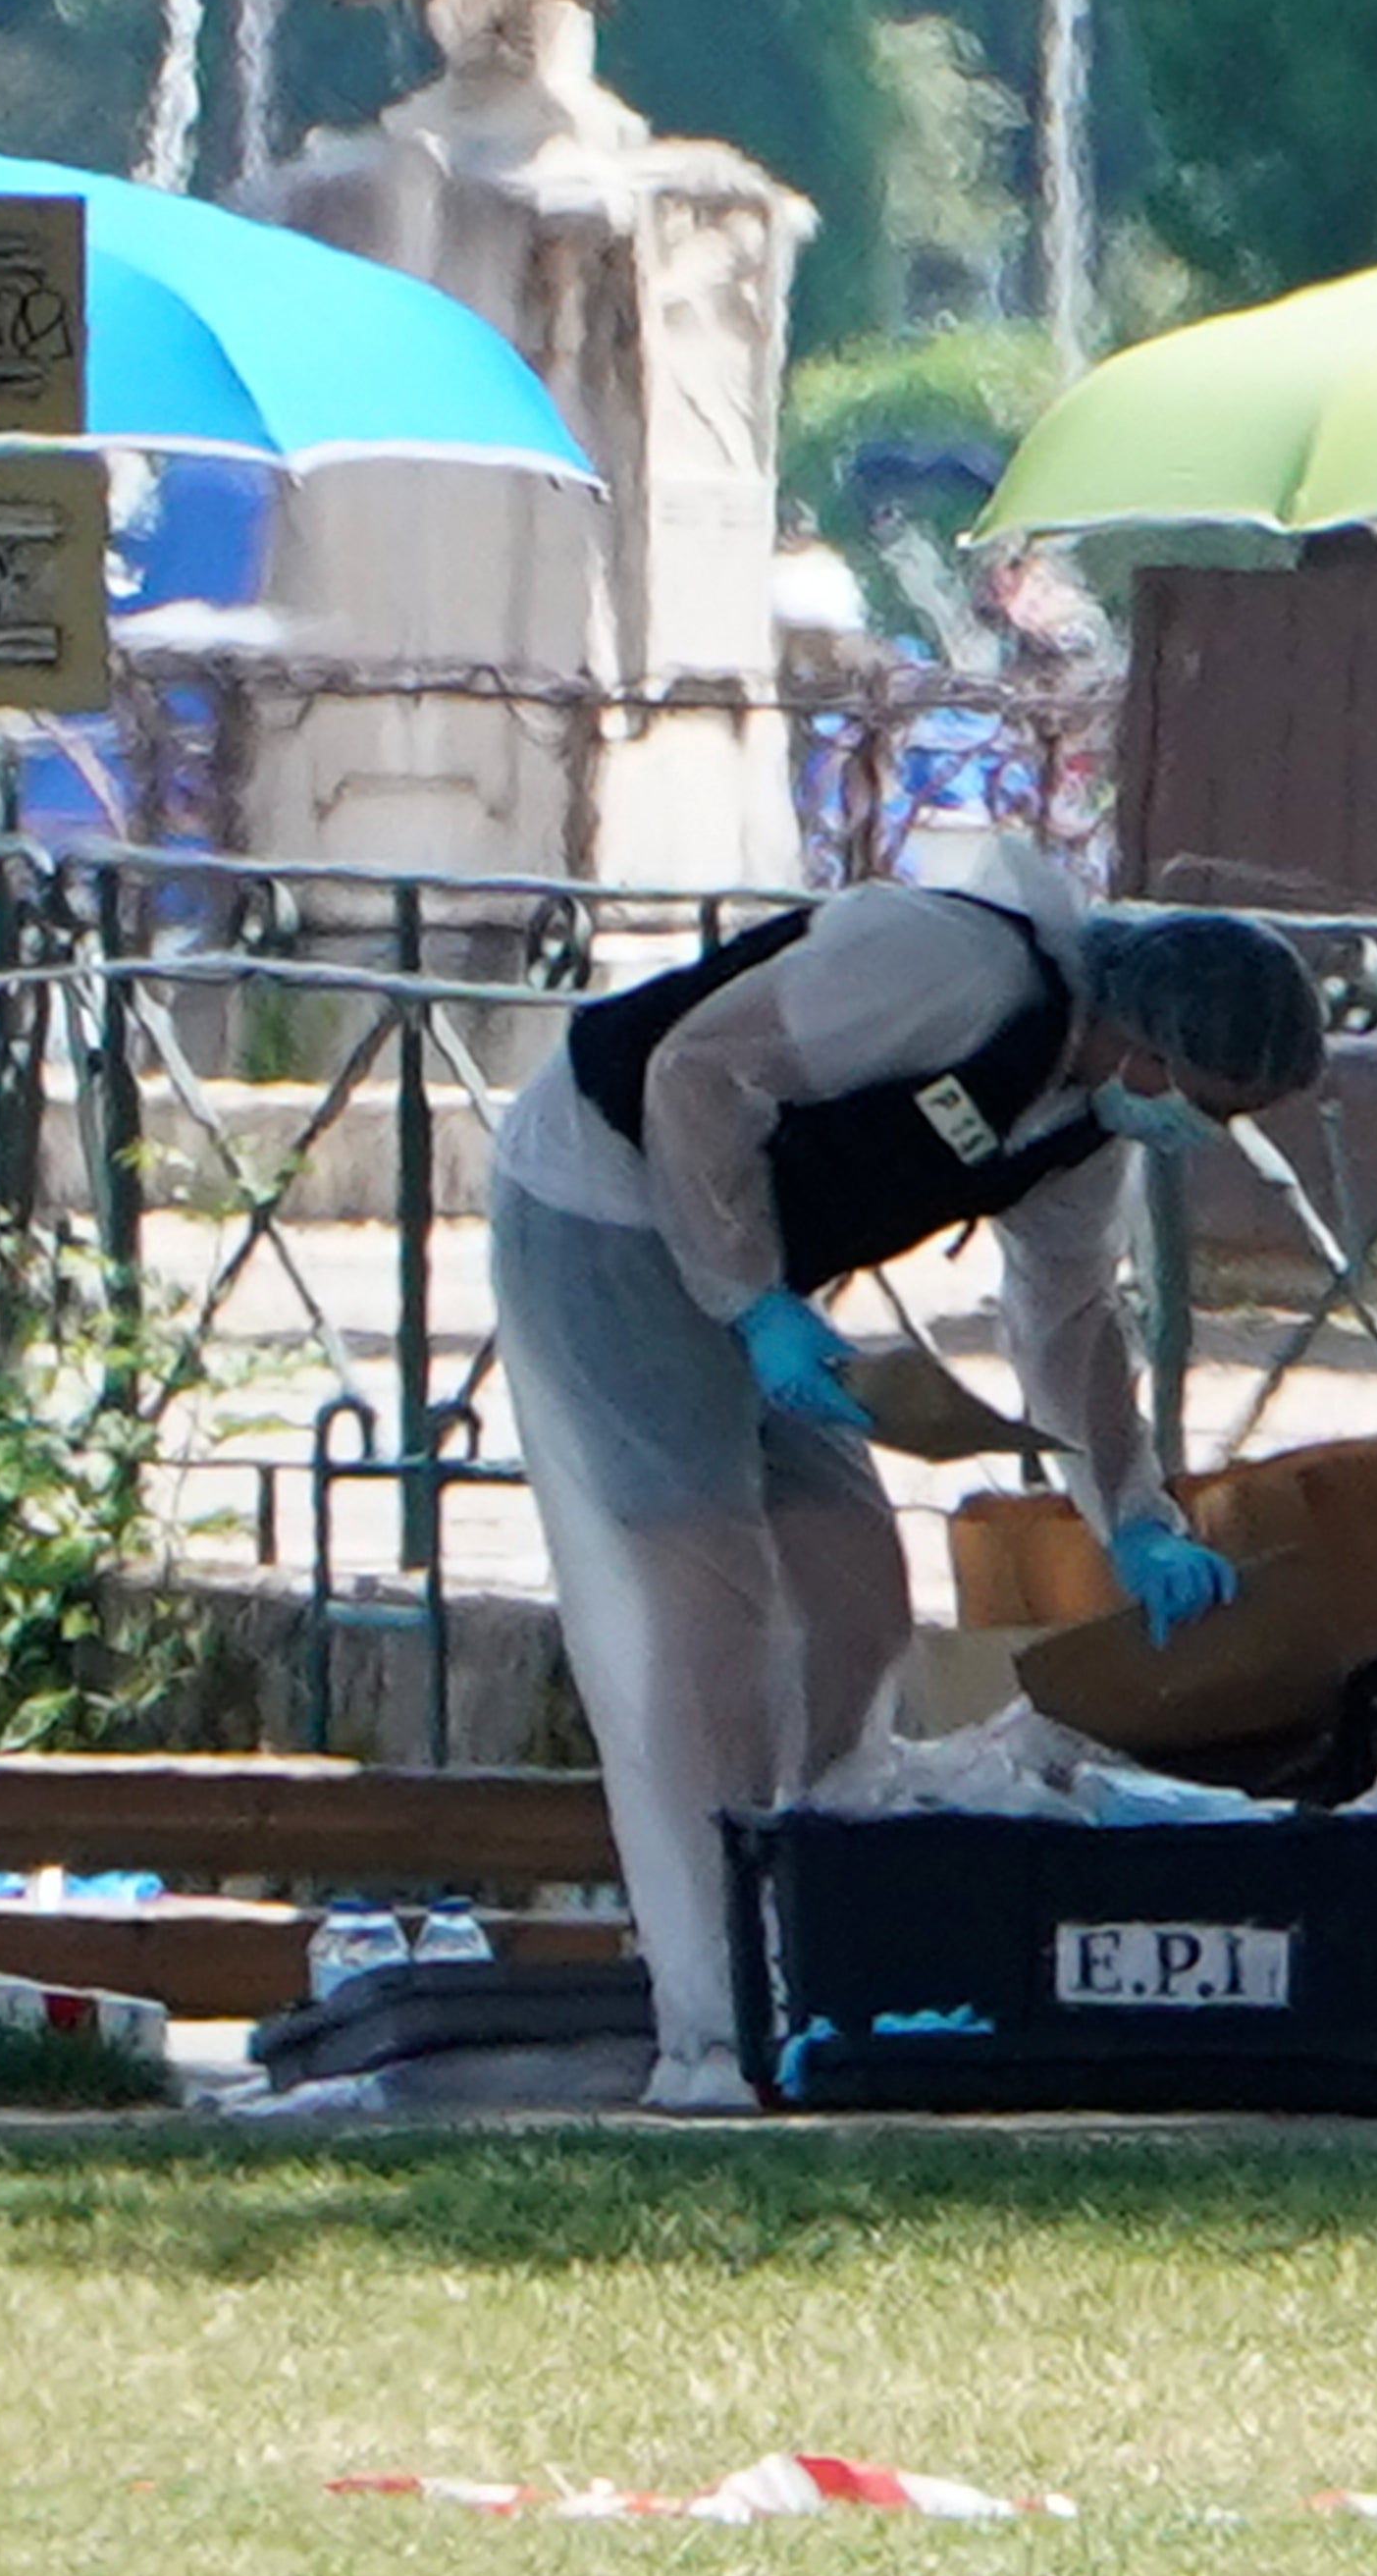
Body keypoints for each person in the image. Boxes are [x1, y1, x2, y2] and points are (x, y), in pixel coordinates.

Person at [489, 864, 1329, 2110]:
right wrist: (748, 1303)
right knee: (702, 1608)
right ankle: (712, 2017)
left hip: (761, 1262)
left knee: (853, 1604)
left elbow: (1069, 1324)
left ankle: (821, 1933)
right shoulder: (953, 970)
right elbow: (697, 1072)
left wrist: (1135, 1523)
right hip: (607, 1199)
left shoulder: (1083, 1125)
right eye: (1207, 1103)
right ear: (1143, 1041)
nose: (1201, 1135)